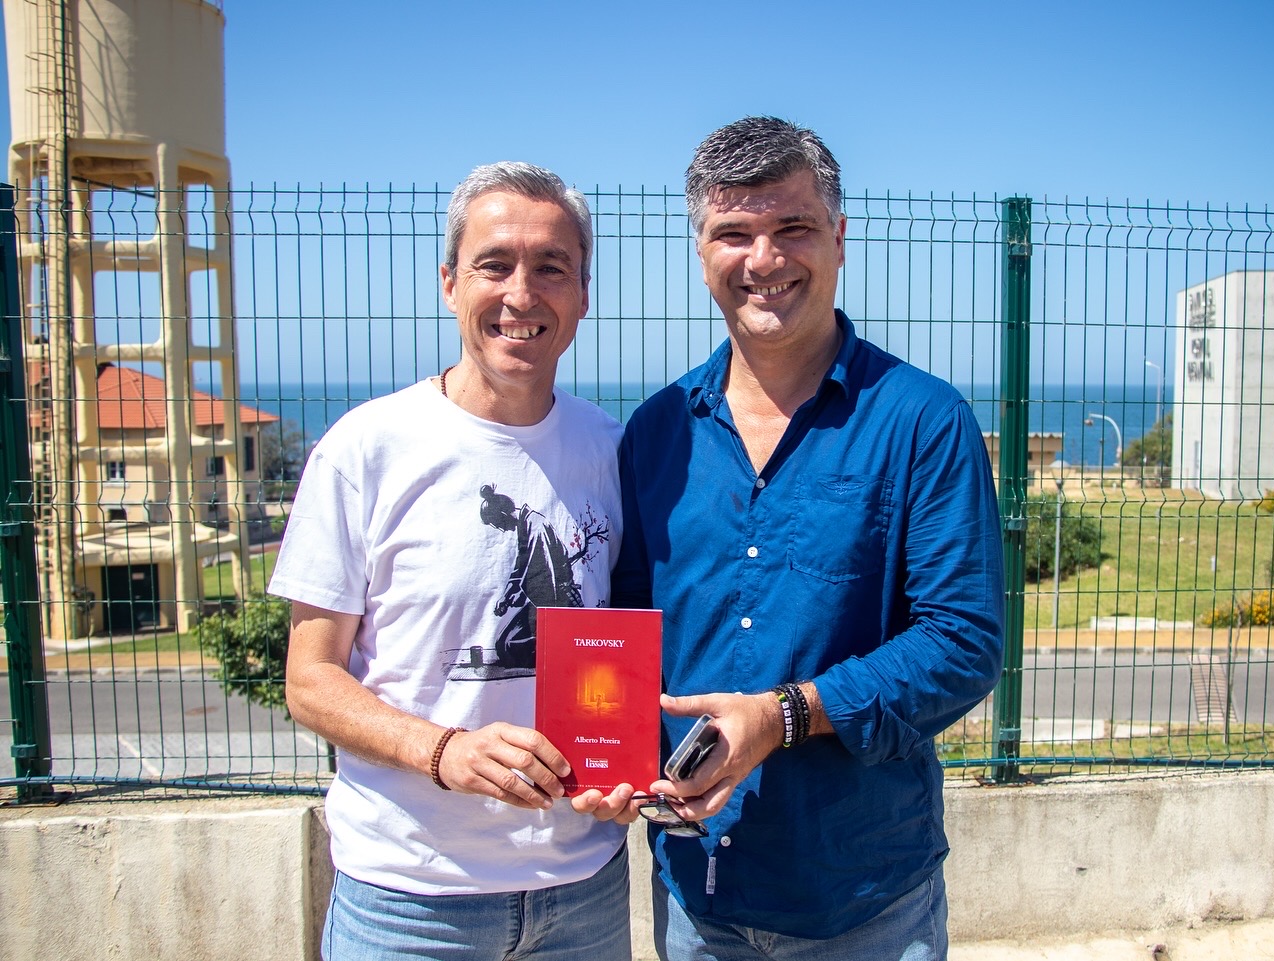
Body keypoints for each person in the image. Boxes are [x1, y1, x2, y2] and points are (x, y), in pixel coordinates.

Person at [612, 117, 1005, 959]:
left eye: (792, 226)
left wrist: (783, 715)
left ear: (838, 238)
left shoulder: (924, 421)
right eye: (733, 232)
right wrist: (605, 756)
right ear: (701, 251)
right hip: (694, 891)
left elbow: (963, 642)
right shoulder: (655, 431)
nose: (764, 258)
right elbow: (626, 630)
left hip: (862, 897)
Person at [269, 161, 637, 961]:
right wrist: (446, 751)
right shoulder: (364, 450)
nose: (521, 294)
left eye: (551, 268)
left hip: (585, 890)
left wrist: (632, 768)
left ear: (583, 294)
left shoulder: (615, 451)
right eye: (494, 264)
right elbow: (310, 678)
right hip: (406, 901)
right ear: (449, 283)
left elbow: (628, 651)